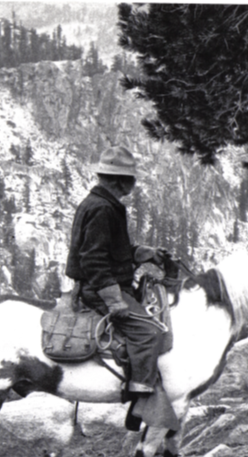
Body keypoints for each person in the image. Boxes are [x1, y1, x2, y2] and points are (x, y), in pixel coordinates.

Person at [65, 146, 177, 429]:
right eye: (131, 179)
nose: (134, 184)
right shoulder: (103, 208)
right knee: (149, 332)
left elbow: (112, 249)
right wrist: (115, 301)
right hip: (98, 289)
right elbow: (93, 258)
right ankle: (140, 396)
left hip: (101, 283)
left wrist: (144, 253)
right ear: (121, 181)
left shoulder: (100, 203)